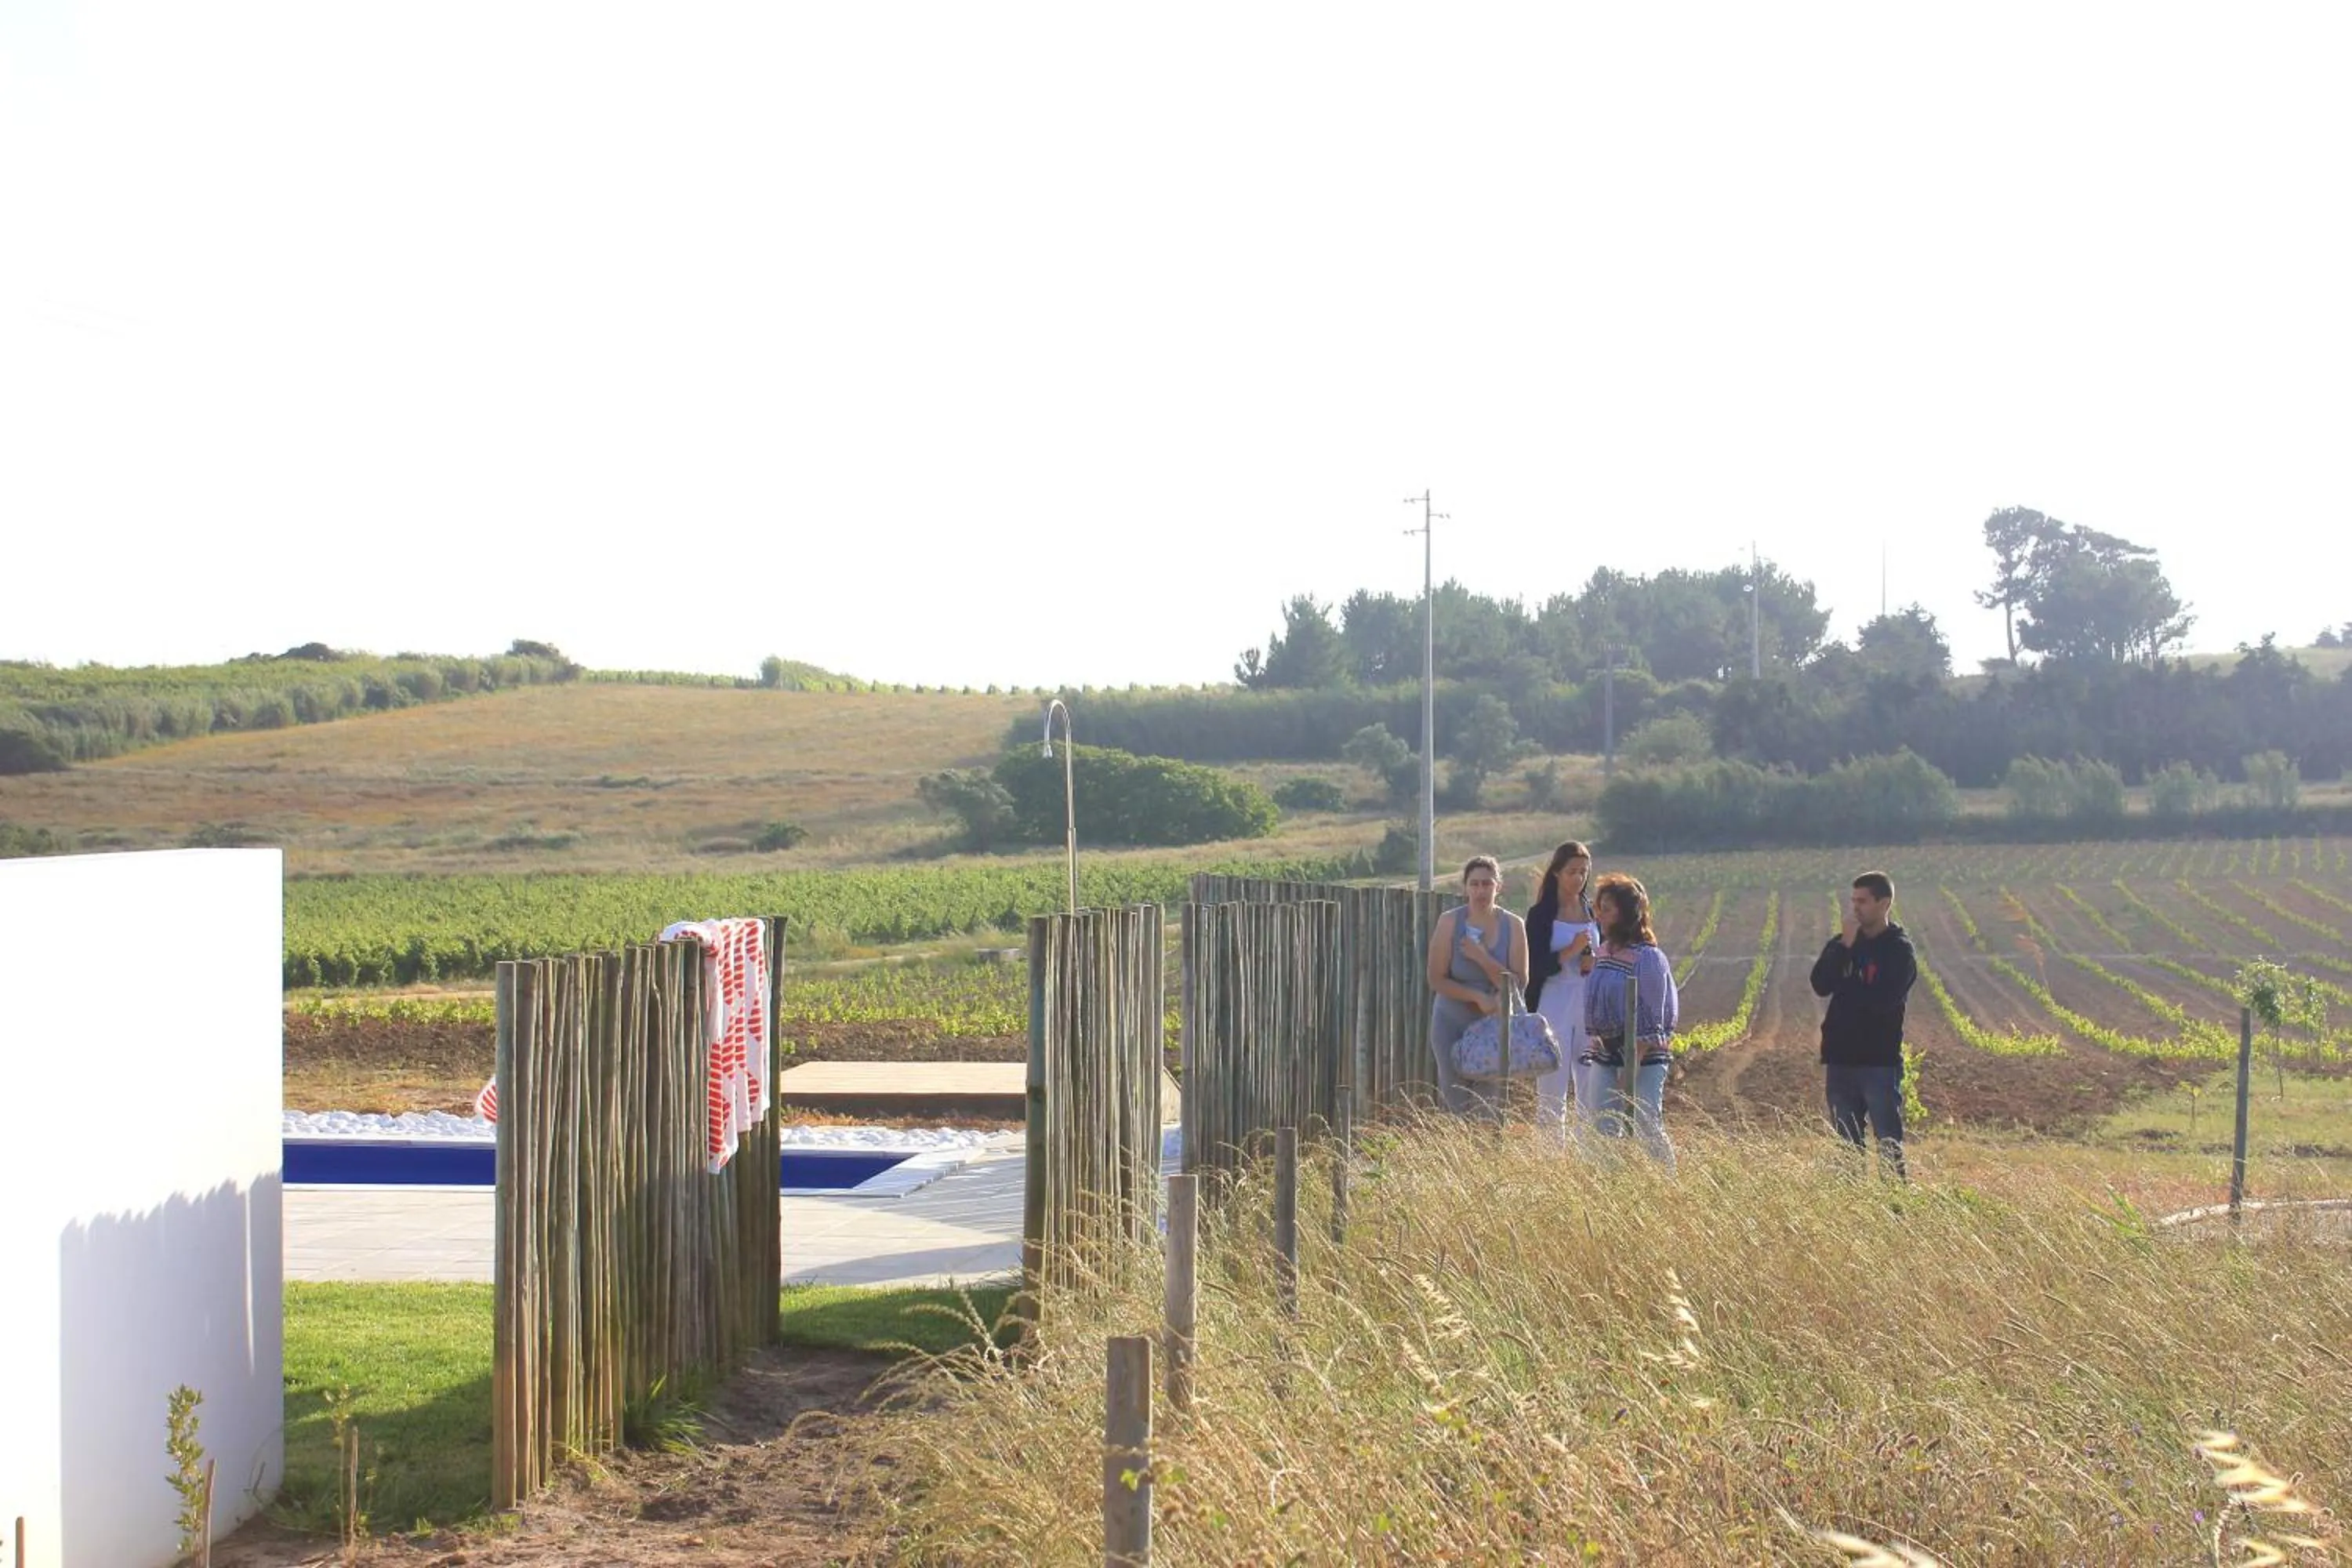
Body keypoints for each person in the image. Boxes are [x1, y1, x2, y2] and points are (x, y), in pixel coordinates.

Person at [1809, 869, 1918, 1178]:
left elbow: (1884, 999)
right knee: (1846, 1147)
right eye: (1853, 901)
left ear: (1884, 904)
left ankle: (1894, 1205)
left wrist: (1850, 988)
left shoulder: (1898, 950)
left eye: (1863, 901)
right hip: (1841, 1059)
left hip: (1878, 1062)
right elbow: (1820, 984)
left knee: (1888, 1143)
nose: (1855, 908)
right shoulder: (1841, 944)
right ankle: (1854, 1209)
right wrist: (1843, 947)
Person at [1577, 873, 1678, 1168]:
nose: (1600, 915)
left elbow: (1652, 1017)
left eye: (1607, 908)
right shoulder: (1603, 951)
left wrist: (1629, 1070)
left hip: (1643, 1056)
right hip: (1605, 1053)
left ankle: (1666, 1185)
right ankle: (1609, 1189)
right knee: (1601, 1127)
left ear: (1625, 913)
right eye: (1599, 908)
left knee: (1646, 1122)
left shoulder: (1648, 958)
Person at [1425, 855, 1530, 1120]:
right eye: (1475, 884)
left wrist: (1482, 958)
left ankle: (1486, 1157)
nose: (1481, 891)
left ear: (1498, 887)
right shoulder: (1449, 922)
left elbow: (1519, 982)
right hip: (1451, 1020)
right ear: (1465, 888)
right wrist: (1476, 996)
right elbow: (1436, 978)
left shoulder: (1514, 925)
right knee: (1455, 1098)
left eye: (1487, 884)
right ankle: (1455, 1157)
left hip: (1494, 1022)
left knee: (1490, 1100)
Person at [1523, 840, 1599, 1143]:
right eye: (1572, 872)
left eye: (1583, 872)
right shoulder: (1541, 914)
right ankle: (1550, 1152)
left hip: (1587, 999)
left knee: (1590, 1077)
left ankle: (1589, 1149)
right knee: (1552, 1080)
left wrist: (1593, 959)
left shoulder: (1592, 910)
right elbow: (1535, 964)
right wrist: (1570, 951)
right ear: (1556, 873)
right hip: (1554, 999)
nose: (1578, 879)